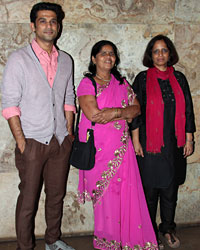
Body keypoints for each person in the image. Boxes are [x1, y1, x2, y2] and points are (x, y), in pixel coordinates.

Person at [1, 2, 76, 250]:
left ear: (58, 26)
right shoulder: (19, 59)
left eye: (53, 21)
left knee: (56, 197)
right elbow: (10, 104)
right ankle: (25, 247)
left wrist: (68, 133)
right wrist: (22, 142)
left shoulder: (66, 60)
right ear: (33, 25)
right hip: (32, 142)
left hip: (59, 142)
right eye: (43, 20)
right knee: (28, 201)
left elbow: (68, 98)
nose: (49, 25)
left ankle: (52, 241)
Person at [76, 40, 158, 250]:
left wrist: (114, 112)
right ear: (94, 59)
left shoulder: (122, 84)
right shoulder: (87, 83)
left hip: (123, 151)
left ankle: (128, 242)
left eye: (111, 53)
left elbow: (136, 109)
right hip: (98, 153)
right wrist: (123, 112)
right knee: (106, 202)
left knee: (125, 199)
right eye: (103, 53)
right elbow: (93, 114)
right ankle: (108, 244)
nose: (108, 57)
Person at [130, 35, 196, 249]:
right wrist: (136, 140)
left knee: (170, 191)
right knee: (149, 192)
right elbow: (135, 113)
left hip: (173, 143)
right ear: (150, 55)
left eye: (164, 50)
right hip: (149, 145)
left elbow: (187, 109)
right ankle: (148, 232)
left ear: (170, 54)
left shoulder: (180, 79)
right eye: (156, 51)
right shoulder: (141, 79)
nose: (160, 54)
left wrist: (189, 138)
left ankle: (167, 229)